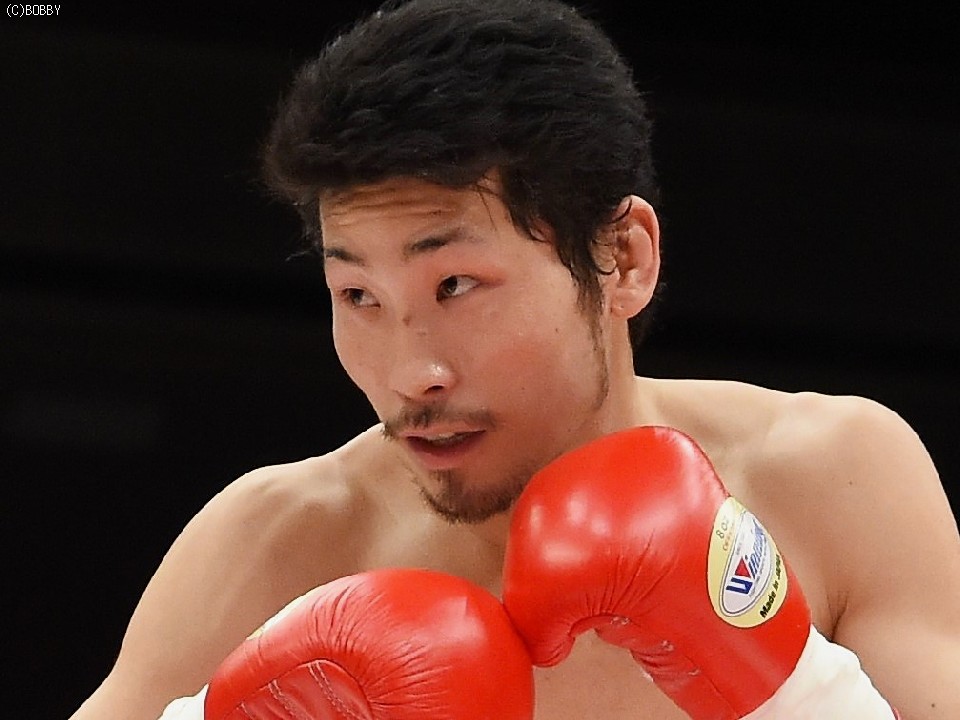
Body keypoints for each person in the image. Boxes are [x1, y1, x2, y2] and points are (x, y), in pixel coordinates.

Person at [71, 0, 960, 718]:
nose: (411, 373)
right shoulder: (278, 547)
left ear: (622, 259)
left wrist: (797, 695)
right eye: (359, 296)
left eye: (455, 285)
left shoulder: (830, 480)